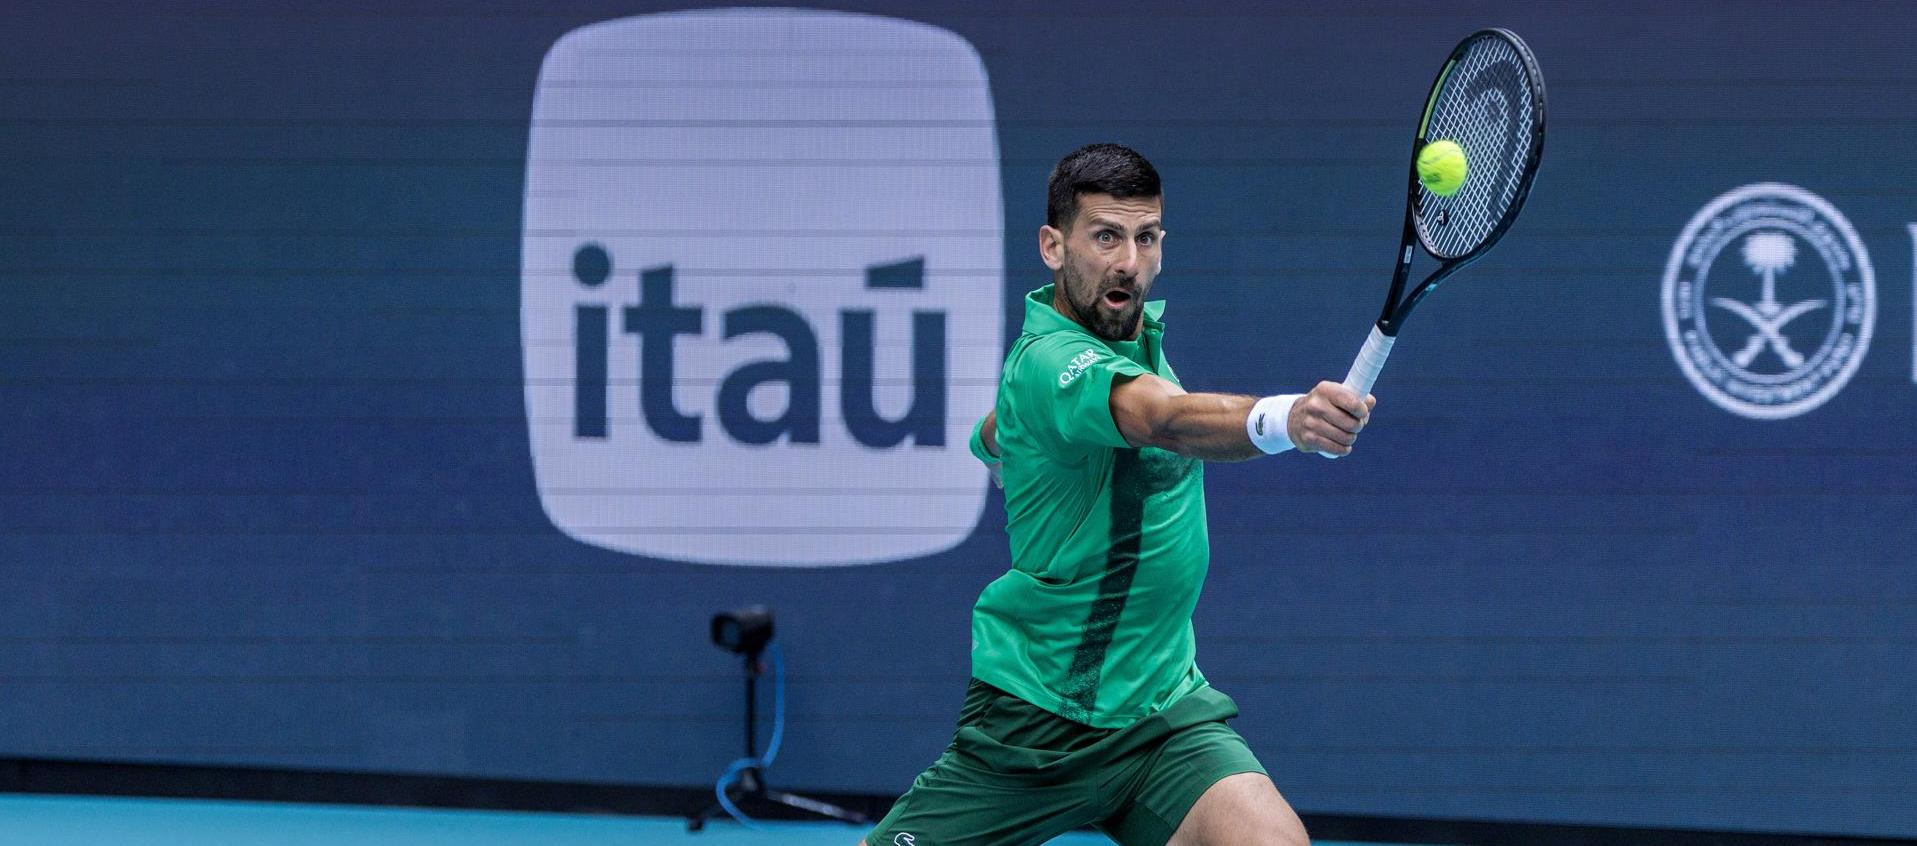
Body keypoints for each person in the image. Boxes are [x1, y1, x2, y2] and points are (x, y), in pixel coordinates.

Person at [861, 143, 1375, 846]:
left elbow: (999, 429)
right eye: (1104, 236)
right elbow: (1161, 419)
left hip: (1161, 715)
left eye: (1145, 237)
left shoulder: (1133, 343)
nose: (1127, 261)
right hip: (1036, 723)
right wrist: (1285, 419)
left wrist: (998, 440)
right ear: (1052, 245)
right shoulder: (1050, 359)